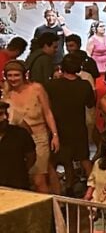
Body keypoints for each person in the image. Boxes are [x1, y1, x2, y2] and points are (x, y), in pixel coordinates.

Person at [3, 60, 60, 193]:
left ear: (24, 75)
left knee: (38, 179)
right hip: (17, 141)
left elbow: (48, 113)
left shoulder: (37, 89)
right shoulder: (7, 94)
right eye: (9, 75)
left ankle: (45, 211)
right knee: (31, 175)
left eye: (16, 75)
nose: (13, 79)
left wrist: (55, 135)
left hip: (39, 137)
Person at [46, 54, 97, 189]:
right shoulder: (84, 85)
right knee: (84, 159)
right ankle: (95, 188)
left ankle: (64, 187)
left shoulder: (52, 85)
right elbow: (91, 104)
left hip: (58, 127)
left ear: (62, 68)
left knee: (58, 160)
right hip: (78, 127)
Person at [0, 99, 36, 190]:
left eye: (6, 114)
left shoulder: (20, 134)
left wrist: (21, 170)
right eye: (0, 114)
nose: (4, 117)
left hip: (18, 184)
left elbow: (31, 157)